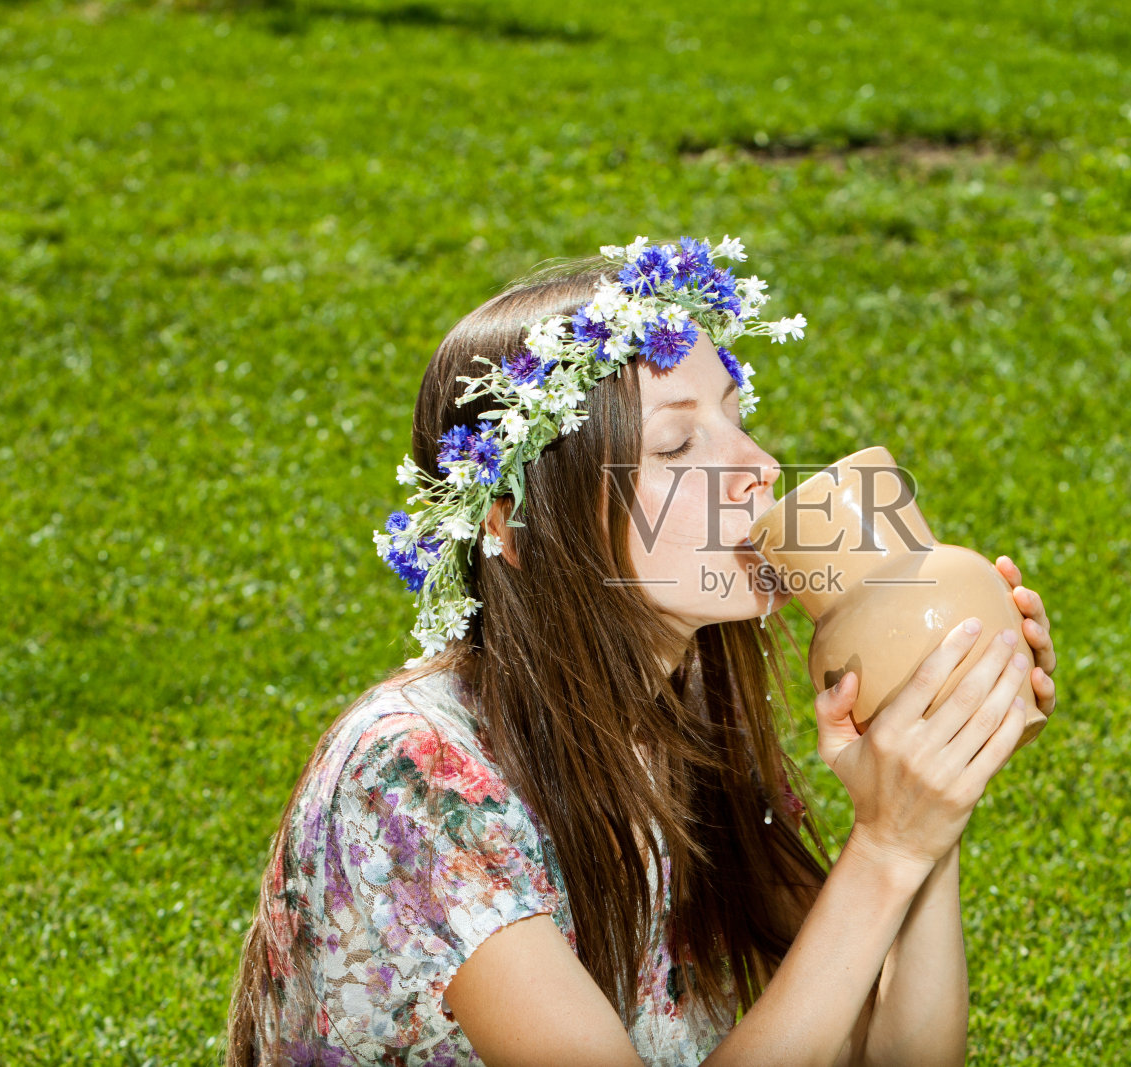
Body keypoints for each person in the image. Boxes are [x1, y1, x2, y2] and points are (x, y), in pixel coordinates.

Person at [223, 235, 1059, 1066]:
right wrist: (885, 849)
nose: (760, 467)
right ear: (516, 527)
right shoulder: (415, 774)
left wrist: (933, 797)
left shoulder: (686, 708)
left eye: (736, 419)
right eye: (677, 446)